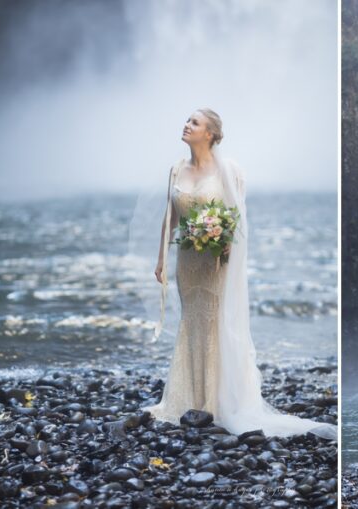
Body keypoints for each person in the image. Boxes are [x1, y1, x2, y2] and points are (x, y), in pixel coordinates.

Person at [141, 108, 336, 440]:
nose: (187, 125)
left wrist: (225, 243)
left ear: (211, 134)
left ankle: (217, 400)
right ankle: (188, 399)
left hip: (216, 261)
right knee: (191, 321)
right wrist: (161, 258)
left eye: (195, 123)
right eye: (187, 120)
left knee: (215, 321)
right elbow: (170, 217)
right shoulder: (175, 170)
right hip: (187, 261)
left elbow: (236, 219)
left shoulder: (230, 171)